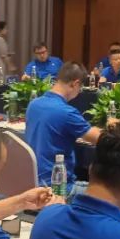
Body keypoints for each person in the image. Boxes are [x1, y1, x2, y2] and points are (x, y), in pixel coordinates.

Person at [24, 62, 103, 196]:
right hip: (58, 188)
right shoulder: (66, 112)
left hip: (33, 184)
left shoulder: (33, 104)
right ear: (75, 84)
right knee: (111, 195)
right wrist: (113, 126)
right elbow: (100, 139)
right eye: (80, 88)